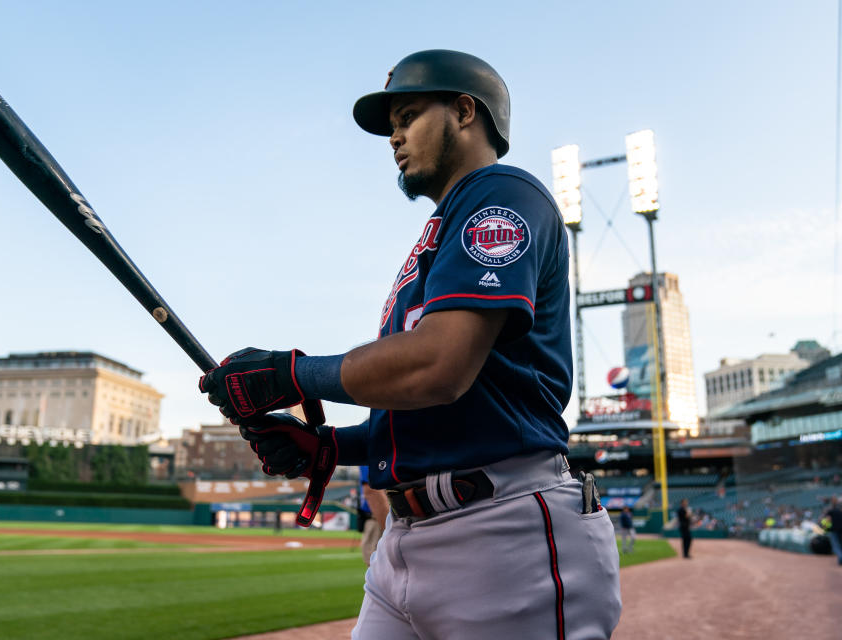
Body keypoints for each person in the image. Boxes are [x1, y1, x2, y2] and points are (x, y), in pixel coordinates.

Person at [200, 49, 621, 639]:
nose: (394, 137)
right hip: (406, 541)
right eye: (392, 125)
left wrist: (289, 375)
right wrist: (326, 447)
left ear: (465, 112)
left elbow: (438, 368)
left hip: (503, 537)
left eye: (410, 115)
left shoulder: (501, 194)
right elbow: (430, 414)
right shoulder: (436, 239)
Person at [358, 465, 389, 566]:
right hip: (377, 516)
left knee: (373, 560)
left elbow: (371, 490)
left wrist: (390, 528)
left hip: (378, 517)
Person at [824, 497, 842, 566]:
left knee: (836, 546)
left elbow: (828, 520)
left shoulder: (831, 511)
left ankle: (841, 558)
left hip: (834, 530)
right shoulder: (839, 511)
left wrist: (825, 528)